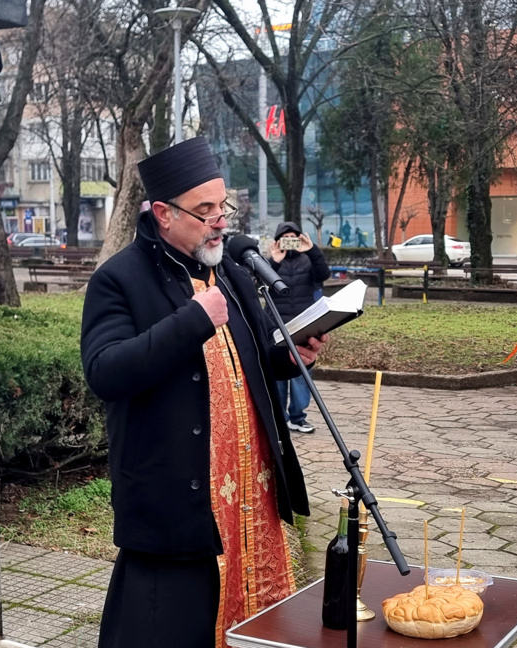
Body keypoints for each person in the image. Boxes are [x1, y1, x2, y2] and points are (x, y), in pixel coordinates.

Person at [80, 137, 322, 648]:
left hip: (248, 497)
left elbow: (254, 357)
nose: (220, 220)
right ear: (164, 213)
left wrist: (294, 350)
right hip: (178, 498)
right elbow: (105, 371)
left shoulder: (229, 271)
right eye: (205, 209)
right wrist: (193, 319)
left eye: (223, 206)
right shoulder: (118, 279)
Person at [268, 221, 331, 434]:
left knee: (299, 373)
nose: (291, 242)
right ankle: (279, 419)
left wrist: (312, 250)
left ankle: (298, 417)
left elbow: (323, 274)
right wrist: (274, 261)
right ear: (278, 241)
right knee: (276, 376)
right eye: (286, 238)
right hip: (275, 325)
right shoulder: (273, 261)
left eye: (295, 238)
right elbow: (258, 283)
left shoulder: (308, 260)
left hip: (303, 325)